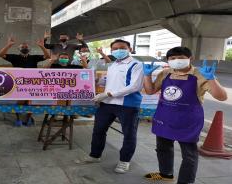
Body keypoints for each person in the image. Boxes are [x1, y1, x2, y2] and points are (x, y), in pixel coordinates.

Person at [142, 47, 228, 184]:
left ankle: (186, 181)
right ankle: (166, 174)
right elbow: (150, 91)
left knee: (189, 155)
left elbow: (222, 97)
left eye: (180, 57)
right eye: (172, 58)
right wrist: (146, 75)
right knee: (163, 148)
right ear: (168, 60)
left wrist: (211, 78)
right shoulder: (165, 73)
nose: (176, 61)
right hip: (165, 118)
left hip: (187, 121)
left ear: (190, 58)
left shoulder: (200, 74)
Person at [75, 39, 144, 174]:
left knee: (129, 134)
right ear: (111, 51)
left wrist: (108, 94)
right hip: (107, 104)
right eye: (115, 48)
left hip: (127, 105)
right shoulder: (112, 65)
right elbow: (109, 81)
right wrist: (95, 81)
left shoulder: (136, 64)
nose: (118, 50)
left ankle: (124, 161)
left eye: (122, 47)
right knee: (98, 130)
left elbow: (135, 86)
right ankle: (95, 155)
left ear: (129, 49)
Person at [0, 36, 50, 126]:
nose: (24, 48)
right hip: (18, 83)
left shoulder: (34, 57)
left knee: (30, 101)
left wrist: (42, 46)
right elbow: (0, 55)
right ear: (19, 49)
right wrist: (9, 45)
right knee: (20, 101)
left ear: (29, 49)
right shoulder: (14, 57)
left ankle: (28, 117)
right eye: (22, 47)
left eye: (26, 47)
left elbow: (47, 56)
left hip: (32, 83)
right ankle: (18, 118)